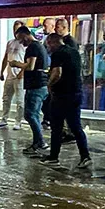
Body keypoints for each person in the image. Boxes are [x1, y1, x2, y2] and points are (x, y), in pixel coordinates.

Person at [40, 33, 92, 169]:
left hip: (62, 94)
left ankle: (54, 157)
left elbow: (57, 72)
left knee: (56, 127)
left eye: (48, 44)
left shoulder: (58, 54)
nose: (48, 48)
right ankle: (85, 156)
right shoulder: (74, 52)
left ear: (53, 42)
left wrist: (49, 85)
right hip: (76, 92)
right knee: (76, 126)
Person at [11, 26, 48, 156]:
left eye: (21, 39)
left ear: (25, 35)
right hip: (39, 85)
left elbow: (31, 66)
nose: (21, 43)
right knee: (33, 114)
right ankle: (38, 142)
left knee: (30, 114)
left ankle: (40, 142)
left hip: (36, 85)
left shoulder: (33, 47)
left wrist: (16, 64)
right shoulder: (39, 46)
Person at [0, 20, 26, 130]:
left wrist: (22, 72)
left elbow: (28, 61)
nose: (15, 32)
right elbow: (6, 58)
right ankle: (4, 119)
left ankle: (18, 121)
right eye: (14, 29)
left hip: (19, 76)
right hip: (10, 75)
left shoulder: (25, 44)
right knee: (6, 98)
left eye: (17, 29)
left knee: (20, 100)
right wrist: (2, 71)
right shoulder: (10, 42)